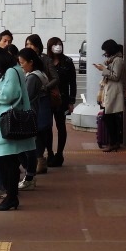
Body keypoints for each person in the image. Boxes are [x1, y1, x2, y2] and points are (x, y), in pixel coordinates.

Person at [0, 46, 35, 211]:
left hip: (7, 123)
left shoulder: (11, 71)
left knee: (7, 161)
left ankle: (11, 197)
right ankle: (11, 196)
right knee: (9, 161)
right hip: (9, 122)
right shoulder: (14, 70)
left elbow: (8, 95)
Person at [17, 48, 52, 190]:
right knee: (28, 146)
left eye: (22, 63)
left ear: (31, 62)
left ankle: (29, 175)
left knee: (26, 147)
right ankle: (29, 174)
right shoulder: (39, 74)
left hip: (28, 116)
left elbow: (25, 96)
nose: (21, 66)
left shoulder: (32, 77)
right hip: (33, 114)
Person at [23, 34, 56, 172]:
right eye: (27, 44)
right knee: (36, 130)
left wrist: (44, 87)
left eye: (31, 44)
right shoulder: (25, 60)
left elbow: (55, 78)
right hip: (35, 100)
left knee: (42, 129)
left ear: (38, 45)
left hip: (42, 99)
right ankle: (38, 159)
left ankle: (42, 158)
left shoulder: (45, 60)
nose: (29, 46)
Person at [45, 36, 76, 166]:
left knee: (61, 126)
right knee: (47, 127)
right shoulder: (45, 61)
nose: (58, 47)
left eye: (60, 44)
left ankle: (59, 153)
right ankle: (50, 153)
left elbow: (72, 82)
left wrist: (71, 101)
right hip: (47, 98)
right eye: (55, 44)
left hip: (62, 99)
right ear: (49, 47)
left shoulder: (67, 62)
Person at [95, 40, 125, 151]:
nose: (105, 53)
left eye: (106, 51)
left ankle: (113, 142)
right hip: (111, 91)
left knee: (108, 117)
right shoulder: (114, 60)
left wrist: (103, 69)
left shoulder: (118, 60)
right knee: (110, 117)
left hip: (114, 91)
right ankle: (114, 142)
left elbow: (116, 76)